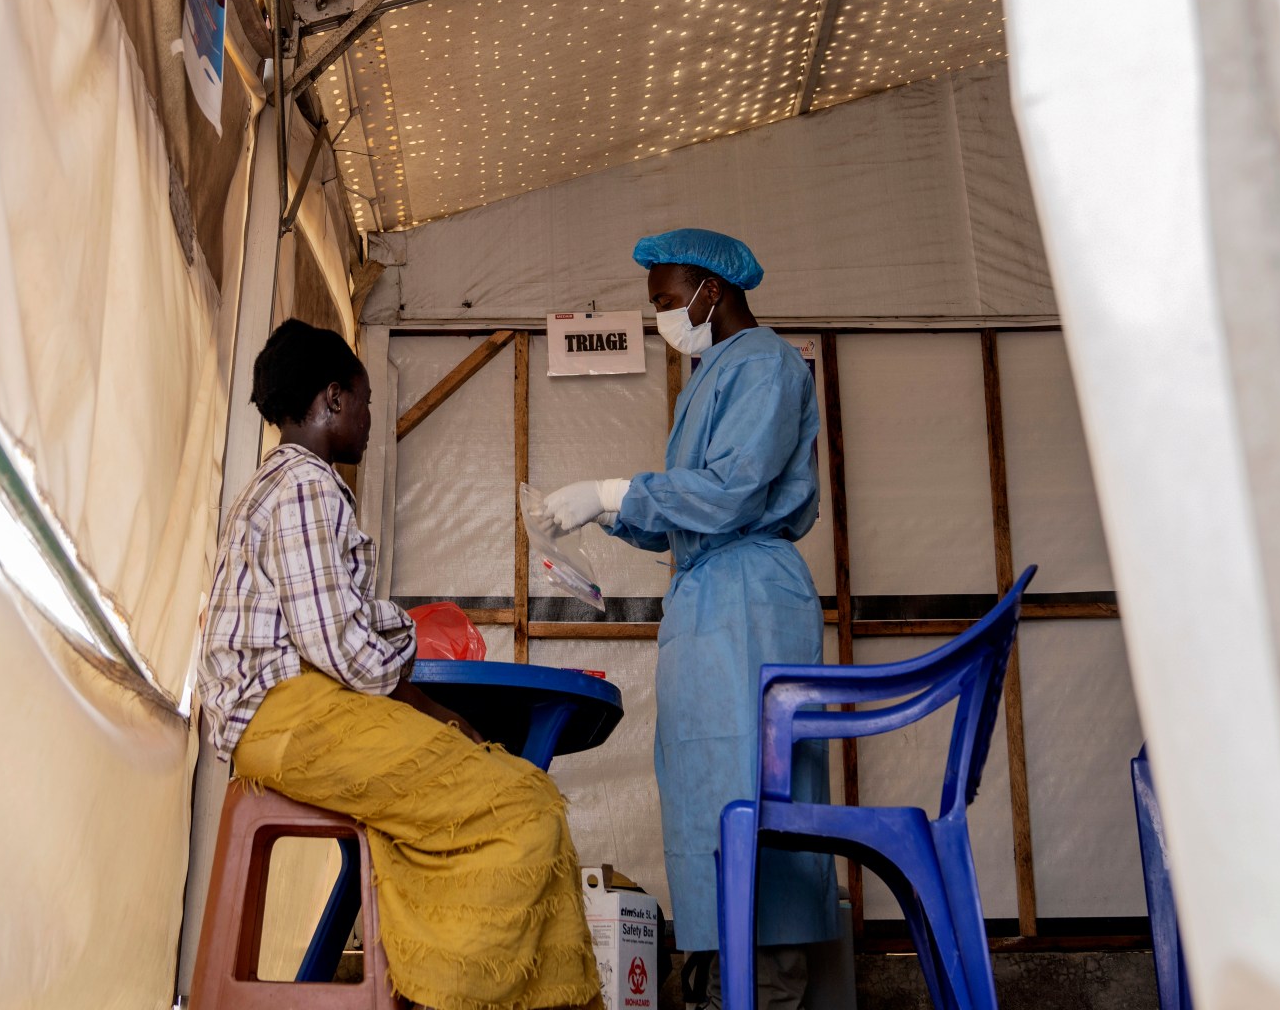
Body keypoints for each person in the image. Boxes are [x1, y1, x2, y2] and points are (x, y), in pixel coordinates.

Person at [198, 319, 605, 1010]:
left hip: (295, 715)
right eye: (362, 403)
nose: (367, 422)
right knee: (521, 804)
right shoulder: (306, 487)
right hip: (286, 718)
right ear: (331, 399)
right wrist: (437, 710)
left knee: (502, 795)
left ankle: (490, 991)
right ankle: (455, 994)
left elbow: (344, 639)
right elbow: (344, 648)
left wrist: (426, 702)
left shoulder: (285, 486)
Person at [545, 230, 838, 1010]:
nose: (665, 319)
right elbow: (680, 514)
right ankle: (719, 974)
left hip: (750, 602)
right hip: (707, 600)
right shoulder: (707, 380)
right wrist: (596, 515)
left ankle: (768, 983)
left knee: (754, 793)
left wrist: (613, 488)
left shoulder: (766, 364)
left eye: (670, 302)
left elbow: (731, 491)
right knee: (706, 798)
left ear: (713, 289)